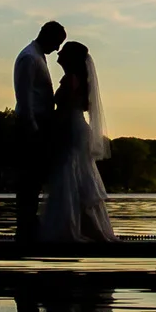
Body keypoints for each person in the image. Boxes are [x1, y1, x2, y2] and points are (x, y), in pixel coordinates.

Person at [39, 41, 115, 243]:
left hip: (71, 128)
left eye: (63, 52)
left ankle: (71, 228)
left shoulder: (71, 79)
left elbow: (66, 108)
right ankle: (82, 227)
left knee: (69, 172)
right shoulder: (76, 78)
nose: (58, 54)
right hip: (75, 127)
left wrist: (52, 131)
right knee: (76, 172)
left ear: (70, 58)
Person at [14, 21, 65, 238]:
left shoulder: (37, 56)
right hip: (32, 125)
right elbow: (24, 97)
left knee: (34, 178)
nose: (57, 49)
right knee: (29, 178)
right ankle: (25, 225)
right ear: (47, 36)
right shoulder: (29, 58)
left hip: (40, 124)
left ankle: (29, 223)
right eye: (57, 43)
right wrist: (33, 129)